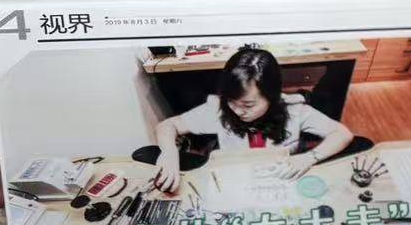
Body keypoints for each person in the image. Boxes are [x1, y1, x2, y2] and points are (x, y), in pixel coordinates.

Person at [143, 47, 368, 192]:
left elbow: (342, 133)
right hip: (235, 181)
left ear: (272, 96)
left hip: (280, 182)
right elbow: (167, 126)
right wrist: (170, 154)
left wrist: (309, 158)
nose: (238, 111)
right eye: (232, 101)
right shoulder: (219, 109)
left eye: (248, 105)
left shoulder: (295, 110)